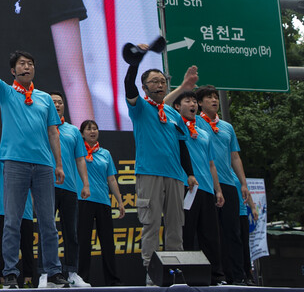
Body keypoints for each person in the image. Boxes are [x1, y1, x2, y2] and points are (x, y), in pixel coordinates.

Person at [0, 18, 69, 288]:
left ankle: (53, 273)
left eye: (30, 64)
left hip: (43, 165)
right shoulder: (6, 92)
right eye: (21, 64)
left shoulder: (43, 98)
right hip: (14, 164)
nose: (27, 66)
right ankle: (10, 274)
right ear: (13, 71)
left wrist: (59, 164)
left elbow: (54, 132)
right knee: (12, 223)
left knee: (48, 225)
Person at [122, 46, 197, 280]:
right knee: (151, 224)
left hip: (176, 176)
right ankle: (151, 272)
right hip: (149, 173)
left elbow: (183, 144)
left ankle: (175, 272)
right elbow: (128, 86)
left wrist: (190, 173)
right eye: (154, 81)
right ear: (145, 87)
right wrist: (135, 63)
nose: (159, 84)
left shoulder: (174, 114)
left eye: (162, 80)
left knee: (175, 226)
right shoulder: (140, 109)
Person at [194, 84, 254, 284]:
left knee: (233, 232)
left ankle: (238, 276)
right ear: (200, 103)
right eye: (209, 97)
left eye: (216, 97)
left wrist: (243, 184)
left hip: (229, 184)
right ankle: (218, 276)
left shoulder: (227, 127)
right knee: (213, 234)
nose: (214, 100)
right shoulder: (196, 123)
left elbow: (235, 156)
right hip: (207, 183)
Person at [165, 88, 225, 285]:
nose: (193, 105)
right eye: (187, 101)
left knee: (210, 236)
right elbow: (163, 106)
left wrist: (218, 189)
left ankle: (216, 276)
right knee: (186, 233)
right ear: (177, 106)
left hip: (206, 189)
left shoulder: (203, 132)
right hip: (184, 187)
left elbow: (211, 164)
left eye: (194, 102)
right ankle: (185, 274)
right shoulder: (174, 127)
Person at [0, 117, 37, 288]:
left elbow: (34, 191)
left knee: (27, 247)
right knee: (4, 247)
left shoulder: (30, 165)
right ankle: (6, 281)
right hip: (3, 211)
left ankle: (28, 280)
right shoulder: (2, 165)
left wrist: (31, 207)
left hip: (24, 213)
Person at [40, 93, 90, 288]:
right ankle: (45, 273)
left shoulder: (73, 131)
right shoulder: (42, 128)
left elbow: (80, 159)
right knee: (47, 231)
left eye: (60, 102)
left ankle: (72, 273)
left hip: (69, 188)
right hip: (45, 186)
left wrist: (85, 184)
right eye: (53, 102)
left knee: (71, 233)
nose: (57, 105)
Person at [76, 120, 125, 287]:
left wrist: (119, 201)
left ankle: (113, 280)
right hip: (83, 200)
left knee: (107, 243)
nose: (92, 131)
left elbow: (111, 178)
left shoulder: (105, 153)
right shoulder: (77, 152)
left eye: (95, 128)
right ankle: (82, 278)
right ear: (82, 134)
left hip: (103, 202)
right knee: (83, 242)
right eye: (88, 129)